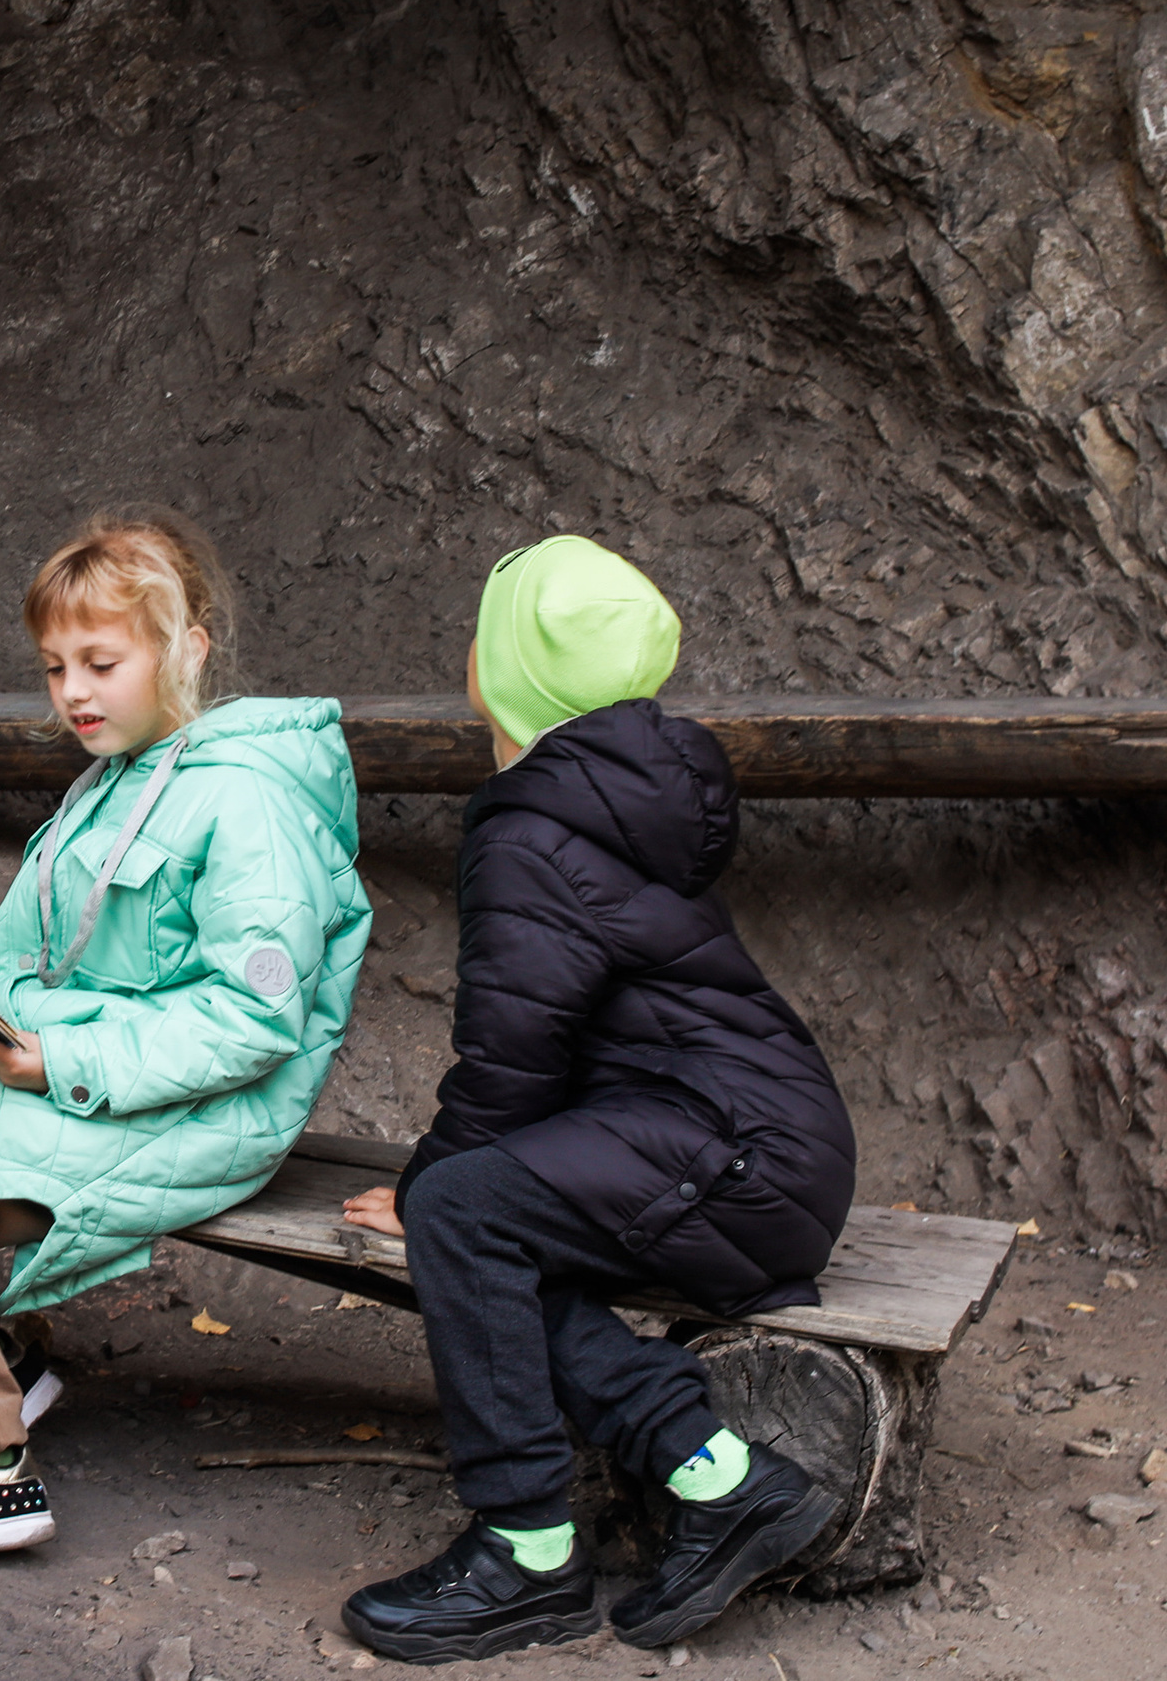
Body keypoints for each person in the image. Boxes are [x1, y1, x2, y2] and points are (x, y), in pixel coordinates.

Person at [0, 507, 372, 1561]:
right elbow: (24, 962)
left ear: (186, 648)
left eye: (101, 661)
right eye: (55, 667)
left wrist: (55, 1056)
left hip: (202, 1109)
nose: (73, 693)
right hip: (97, 1077)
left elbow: (253, 1022)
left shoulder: (245, 801)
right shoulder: (101, 793)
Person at [338, 535, 856, 1661]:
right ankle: (718, 1477)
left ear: (504, 670)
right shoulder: (618, 798)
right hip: (752, 1142)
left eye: (486, 628)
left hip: (729, 1150)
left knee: (461, 1217)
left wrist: (427, 1193)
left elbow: (514, 1055)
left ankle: (525, 1550)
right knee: (486, 1239)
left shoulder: (532, 825)